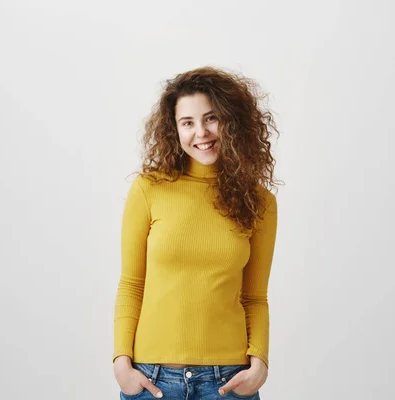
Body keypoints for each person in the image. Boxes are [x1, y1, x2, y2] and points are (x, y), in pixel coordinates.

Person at [112, 66, 281, 400]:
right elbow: (132, 284)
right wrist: (121, 362)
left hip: (229, 383)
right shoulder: (149, 189)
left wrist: (259, 361)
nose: (200, 132)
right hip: (151, 380)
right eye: (187, 122)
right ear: (174, 129)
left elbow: (255, 297)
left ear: (232, 120)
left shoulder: (260, 201)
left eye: (211, 118)